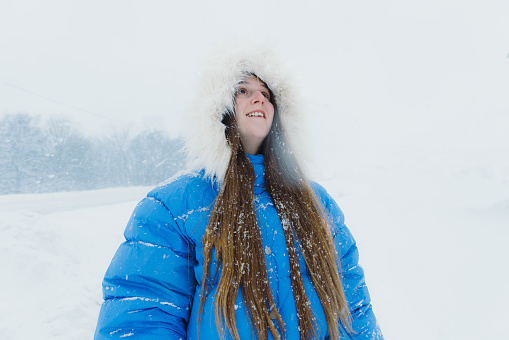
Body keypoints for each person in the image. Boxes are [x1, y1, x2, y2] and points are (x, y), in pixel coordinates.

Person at [94, 44, 383, 340]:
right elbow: (143, 316)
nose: (258, 97)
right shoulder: (173, 205)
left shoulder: (317, 202)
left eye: (266, 93)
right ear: (218, 107)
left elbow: (354, 309)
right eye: (243, 90)